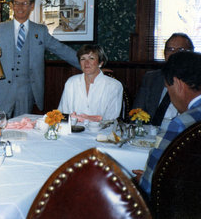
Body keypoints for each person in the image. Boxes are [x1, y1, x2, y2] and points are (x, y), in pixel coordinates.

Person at [0, 0, 80, 118]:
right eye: (16, 3)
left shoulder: (40, 31)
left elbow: (61, 49)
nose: (20, 7)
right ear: (12, 5)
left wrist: (88, 65)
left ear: (31, 6)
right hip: (2, 89)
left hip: (27, 90)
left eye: (24, 3)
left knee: (23, 127)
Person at [133, 51, 201, 198]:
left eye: (168, 89)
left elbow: (150, 185)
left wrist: (143, 179)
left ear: (178, 84)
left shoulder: (181, 124)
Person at [132, 33, 194, 127]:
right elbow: (136, 113)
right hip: (148, 135)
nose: (174, 54)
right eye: (170, 49)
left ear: (190, 54)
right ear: (165, 54)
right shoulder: (151, 78)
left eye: (180, 49)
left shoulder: (196, 82)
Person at [57, 44, 123, 120]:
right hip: (73, 130)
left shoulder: (114, 86)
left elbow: (111, 118)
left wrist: (88, 119)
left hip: (101, 131)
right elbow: (62, 113)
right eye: (83, 59)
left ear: (100, 63)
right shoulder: (71, 82)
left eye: (91, 58)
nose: (86, 63)